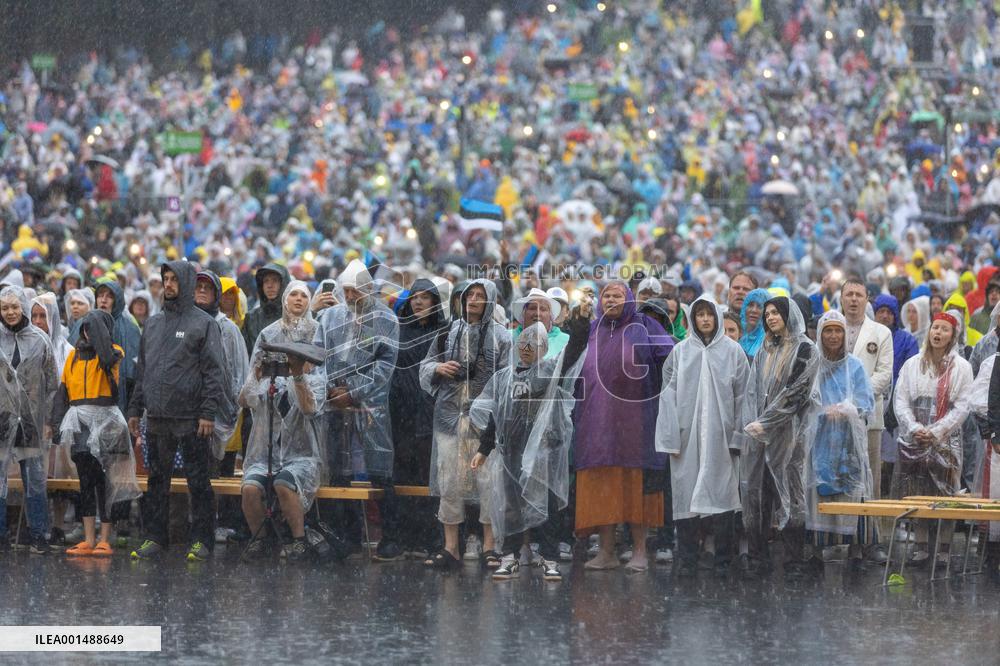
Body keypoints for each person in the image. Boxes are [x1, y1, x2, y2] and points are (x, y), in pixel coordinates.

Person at [470, 322, 584, 581]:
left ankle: (549, 557)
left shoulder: (549, 373)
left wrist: (581, 322)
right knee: (511, 506)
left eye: (535, 343)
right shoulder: (504, 377)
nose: (528, 348)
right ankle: (509, 556)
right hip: (512, 453)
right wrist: (484, 449)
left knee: (547, 507)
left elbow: (572, 351)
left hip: (542, 455)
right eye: (523, 342)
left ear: (544, 348)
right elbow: (496, 416)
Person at [127, 261, 225, 562]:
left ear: (186, 283)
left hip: (192, 418)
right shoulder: (153, 324)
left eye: (174, 279)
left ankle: (202, 540)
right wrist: (135, 409)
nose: (168, 284)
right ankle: (156, 537)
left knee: (198, 482)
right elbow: (143, 371)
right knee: (157, 482)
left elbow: (214, 372)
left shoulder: (204, 323)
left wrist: (208, 412)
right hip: (157, 417)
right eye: (165, 278)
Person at [573, 281, 673, 572]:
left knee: (635, 485)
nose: (611, 300)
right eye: (606, 295)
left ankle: (639, 551)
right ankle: (607, 552)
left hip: (636, 422)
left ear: (629, 299)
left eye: (618, 295)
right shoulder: (592, 329)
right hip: (597, 422)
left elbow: (672, 358)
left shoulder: (645, 326)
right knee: (605, 485)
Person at [420, 279, 510, 569]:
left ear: (490, 300)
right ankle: (451, 548)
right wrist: (438, 368)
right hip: (448, 419)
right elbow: (426, 366)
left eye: (480, 295)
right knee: (449, 482)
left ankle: (490, 546)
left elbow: (508, 379)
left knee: (488, 484)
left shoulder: (502, 336)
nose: (473, 299)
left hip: (485, 424)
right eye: (469, 294)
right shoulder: (448, 332)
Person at [656, 296, 749, 577]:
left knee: (723, 497)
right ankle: (687, 559)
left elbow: (743, 397)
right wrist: (670, 437)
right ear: (692, 319)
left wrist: (738, 437)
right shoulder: (681, 352)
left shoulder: (733, 352)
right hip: (687, 439)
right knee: (686, 497)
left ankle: (723, 561)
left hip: (721, 439)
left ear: (717, 317)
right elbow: (668, 395)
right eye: (700, 314)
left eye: (710, 314)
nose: (705, 319)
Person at [314, 260, 399, 550]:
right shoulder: (330, 317)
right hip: (334, 407)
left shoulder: (385, 318)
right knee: (339, 473)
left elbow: (385, 364)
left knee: (379, 471)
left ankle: (389, 537)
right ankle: (348, 536)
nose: (350, 297)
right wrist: (329, 389)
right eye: (347, 291)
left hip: (370, 407)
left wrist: (353, 391)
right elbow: (318, 356)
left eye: (356, 292)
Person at [240, 281, 327, 562]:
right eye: (293, 294)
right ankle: (260, 540)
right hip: (266, 449)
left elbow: (311, 407)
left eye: (304, 295)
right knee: (250, 488)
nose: (299, 299)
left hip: (303, 450)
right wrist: (257, 375)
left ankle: (299, 540)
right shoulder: (268, 334)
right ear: (284, 300)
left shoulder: (318, 337)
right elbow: (245, 398)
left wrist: (298, 374)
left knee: (284, 483)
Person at [740, 296, 818, 578]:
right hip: (759, 436)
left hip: (789, 435)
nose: (771, 317)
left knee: (791, 494)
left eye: (776, 312)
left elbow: (797, 392)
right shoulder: (766, 348)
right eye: (768, 314)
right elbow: (753, 389)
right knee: (757, 494)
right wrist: (753, 423)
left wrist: (767, 422)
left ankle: (794, 559)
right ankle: (758, 556)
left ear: (788, 315)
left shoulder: (806, 350)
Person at [54, 310, 140, 556]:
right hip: (79, 420)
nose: (88, 332)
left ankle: (105, 538)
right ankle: (89, 538)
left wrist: (97, 324)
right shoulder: (73, 356)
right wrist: (55, 423)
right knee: (86, 480)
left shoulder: (113, 352)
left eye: (94, 328)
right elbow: (63, 392)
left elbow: (107, 359)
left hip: (106, 419)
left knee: (105, 482)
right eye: (85, 327)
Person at [376, 278, 449, 561]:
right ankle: (398, 536)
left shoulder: (444, 331)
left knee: (428, 476)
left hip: (431, 413)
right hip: (400, 413)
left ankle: (429, 537)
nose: (419, 302)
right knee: (399, 475)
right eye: (415, 297)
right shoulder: (398, 330)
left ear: (434, 302)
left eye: (425, 297)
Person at [892, 312, 973, 567]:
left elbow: (962, 406)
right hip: (916, 438)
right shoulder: (913, 364)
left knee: (947, 491)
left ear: (953, 335)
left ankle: (944, 548)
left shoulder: (961, 367)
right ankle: (921, 546)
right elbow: (901, 400)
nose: (938, 333)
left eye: (944, 329)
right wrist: (914, 427)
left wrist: (937, 431)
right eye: (935, 327)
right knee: (918, 490)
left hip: (947, 439)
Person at [803, 311, 875, 570]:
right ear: (820, 334)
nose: (833, 336)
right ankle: (816, 549)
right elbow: (805, 401)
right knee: (817, 492)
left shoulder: (854, 366)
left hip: (848, 443)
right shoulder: (813, 366)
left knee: (852, 490)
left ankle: (857, 549)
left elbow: (866, 402)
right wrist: (822, 412)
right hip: (819, 441)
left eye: (838, 331)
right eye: (828, 331)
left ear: (845, 334)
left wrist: (845, 410)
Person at [0, 285, 59, 554]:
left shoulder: (39, 339)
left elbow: (52, 381)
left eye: (14, 307)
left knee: (34, 478)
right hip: (2, 418)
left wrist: (47, 419)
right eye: (4, 308)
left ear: (23, 306)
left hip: (31, 419)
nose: (10, 312)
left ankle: (39, 535)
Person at [839, 278, 893, 562]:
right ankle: (844, 538)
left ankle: (872, 540)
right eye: (848, 294)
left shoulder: (881, 332)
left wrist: (855, 397)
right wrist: (839, 399)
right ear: (841, 298)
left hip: (868, 417)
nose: (853, 299)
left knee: (871, 478)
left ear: (867, 299)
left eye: (858, 295)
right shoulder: (831, 327)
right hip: (835, 416)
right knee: (842, 478)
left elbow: (884, 375)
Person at [194, 271, 250, 461]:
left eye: (208, 287)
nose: (202, 291)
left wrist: (229, 409)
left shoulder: (228, 329)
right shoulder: (182, 322)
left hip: (219, 413)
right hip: (185, 416)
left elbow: (238, 373)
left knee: (215, 468)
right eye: (198, 287)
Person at [94, 280, 141, 414]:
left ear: (117, 301)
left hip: (120, 397)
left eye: (109, 296)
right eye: (100, 295)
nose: (103, 300)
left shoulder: (130, 329)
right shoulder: (84, 325)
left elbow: (135, 371)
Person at [243, 263, 289, 356]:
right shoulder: (251, 318)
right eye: (266, 281)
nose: (269, 286)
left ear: (283, 284)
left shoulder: (293, 316)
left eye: (275, 280)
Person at [510, 288, 568, 358]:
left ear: (550, 317)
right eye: (532, 308)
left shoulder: (565, 341)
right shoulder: (508, 337)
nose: (537, 314)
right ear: (523, 314)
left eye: (543, 309)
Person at [738, 288, 770, 358]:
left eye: (759, 306)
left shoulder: (769, 341)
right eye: (750, 305)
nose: (754, 310)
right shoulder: (736, 334)